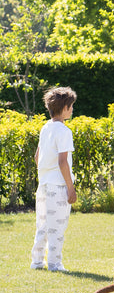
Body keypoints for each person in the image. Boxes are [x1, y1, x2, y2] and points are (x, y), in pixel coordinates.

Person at [31, 86, 78, 272]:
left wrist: (44, 175)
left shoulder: (45, 128)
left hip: (44, 184)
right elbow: (63, 162)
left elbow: (37, 156)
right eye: (71, 106)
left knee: (42, 225)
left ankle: (36, 262)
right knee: (57, 227)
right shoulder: (64, 131)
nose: (72, 109)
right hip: (58, 186)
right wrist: (70, 187)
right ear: (64, 107)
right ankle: (55, 264)